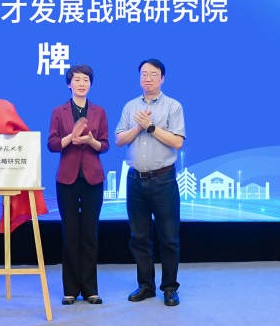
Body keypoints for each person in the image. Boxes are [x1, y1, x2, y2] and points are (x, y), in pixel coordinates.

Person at [114, 58, 185, 306]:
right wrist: (138, 126)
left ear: (162, 78)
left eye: (153, 74)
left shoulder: (173, 106)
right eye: (144, 73)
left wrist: (151, 127)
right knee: (139, 237)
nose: (148, 78)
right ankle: (146, 286)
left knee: (169, 237)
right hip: (135, 180)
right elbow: (119, 140)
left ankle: (170, 288)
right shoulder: (130, 106)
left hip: (163, 180)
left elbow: (177, 142)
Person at [47, 64, 109, 306]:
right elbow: (52, 144)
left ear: (90, 84)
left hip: (93, 178)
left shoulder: (99, 111)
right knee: (70, 234)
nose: (81, 83)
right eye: (77, 79)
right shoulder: (58, 111)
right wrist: (70, 138)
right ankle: (70, 290)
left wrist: (91, 141)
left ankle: (91, 289)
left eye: (86, 80)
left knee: (90, 234)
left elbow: (104, 145)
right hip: (67, 179)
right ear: (68, 84)